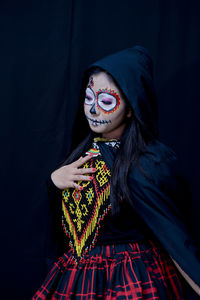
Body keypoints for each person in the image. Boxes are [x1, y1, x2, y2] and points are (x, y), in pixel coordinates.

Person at [32, 46, 200, 299]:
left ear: (131, 108)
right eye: (89, 98)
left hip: (133, 276)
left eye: (106, 101)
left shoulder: (150, 162)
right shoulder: (80, 155)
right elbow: (60, 232)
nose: (92, 110)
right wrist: (53, 183)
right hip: (78, 278)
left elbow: (175, 238)